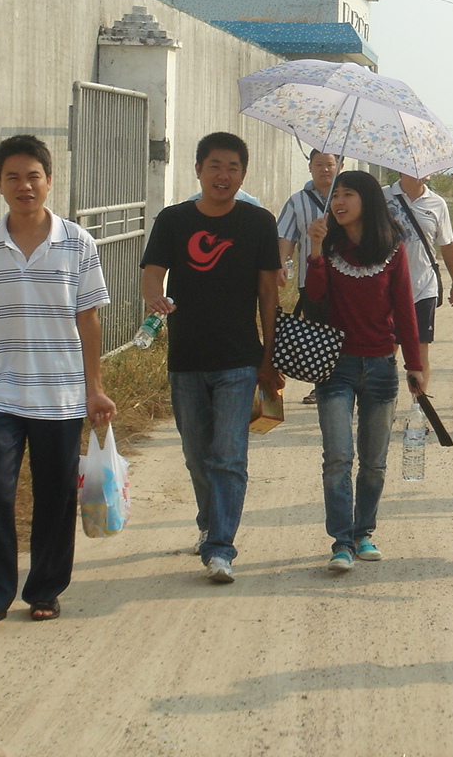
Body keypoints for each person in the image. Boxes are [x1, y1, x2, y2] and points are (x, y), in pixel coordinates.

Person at [0, 135, 116, 630]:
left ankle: (45, 590)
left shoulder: (78, 243)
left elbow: (89, 319)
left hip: (62, 395)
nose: (24, 186)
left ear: (49, 181)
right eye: (13, 177)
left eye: (33, 176)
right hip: (0, 393)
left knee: (55, 497)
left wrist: (94, 388)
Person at [140, 132, 282, 584]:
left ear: (243, 174)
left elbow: (268, 292)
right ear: (198, 169)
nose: (224, 175)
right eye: (215, 166)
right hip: (186, 358)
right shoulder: (173, 220)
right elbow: (152, 272)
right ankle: (209, 522)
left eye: (233, 168)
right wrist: (153, 297)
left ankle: (221, 547)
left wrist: (269, 356)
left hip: (239, 360)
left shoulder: (258, 222)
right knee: (196, 454)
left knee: (229, 455)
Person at [303, 170, 425, 571]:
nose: (339, 202)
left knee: (374, 461)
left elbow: (405, 309)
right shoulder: (329, 246)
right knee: (338, 457)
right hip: (334, 366)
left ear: (367, 200)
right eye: (335, 195)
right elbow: (314, 296)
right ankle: (341, 542)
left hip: (380, 367)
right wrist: (315, 248)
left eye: (348, 194)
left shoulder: (393, 248)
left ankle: (363, 533)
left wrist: (415, 365)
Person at [385, 173, 453, 393]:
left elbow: (447, 244)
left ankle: (418, 405)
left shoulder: (437, 203)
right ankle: (385, 399)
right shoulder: (383, 197)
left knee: (419, 350)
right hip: (387, 288)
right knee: (387, 350)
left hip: (422, 287)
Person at [277, 149, 343, 404]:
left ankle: (346, 382)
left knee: (345, 331)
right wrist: (281, 263)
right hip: (311, 279)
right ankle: (322, 385)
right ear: (310, 167)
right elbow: (286, 235)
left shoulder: (348, 199)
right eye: (319, 164)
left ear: (339, 166)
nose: (324, 169)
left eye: (329, 164)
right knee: (318, 333)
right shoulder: (298, 201)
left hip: (347, 280)